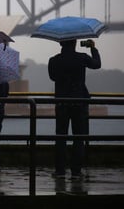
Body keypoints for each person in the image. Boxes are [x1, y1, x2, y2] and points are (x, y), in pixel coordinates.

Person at [48, 39, 101, 179]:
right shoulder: (82, 58)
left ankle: (60, 170)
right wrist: (93, 49)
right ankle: (76, 171)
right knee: (79, 137)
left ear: (60, 43)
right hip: (79, 102)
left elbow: (53, 77)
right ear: (76, 43)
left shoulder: (53, 60)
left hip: (62, 103)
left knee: (60, 137)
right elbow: (97, 64)